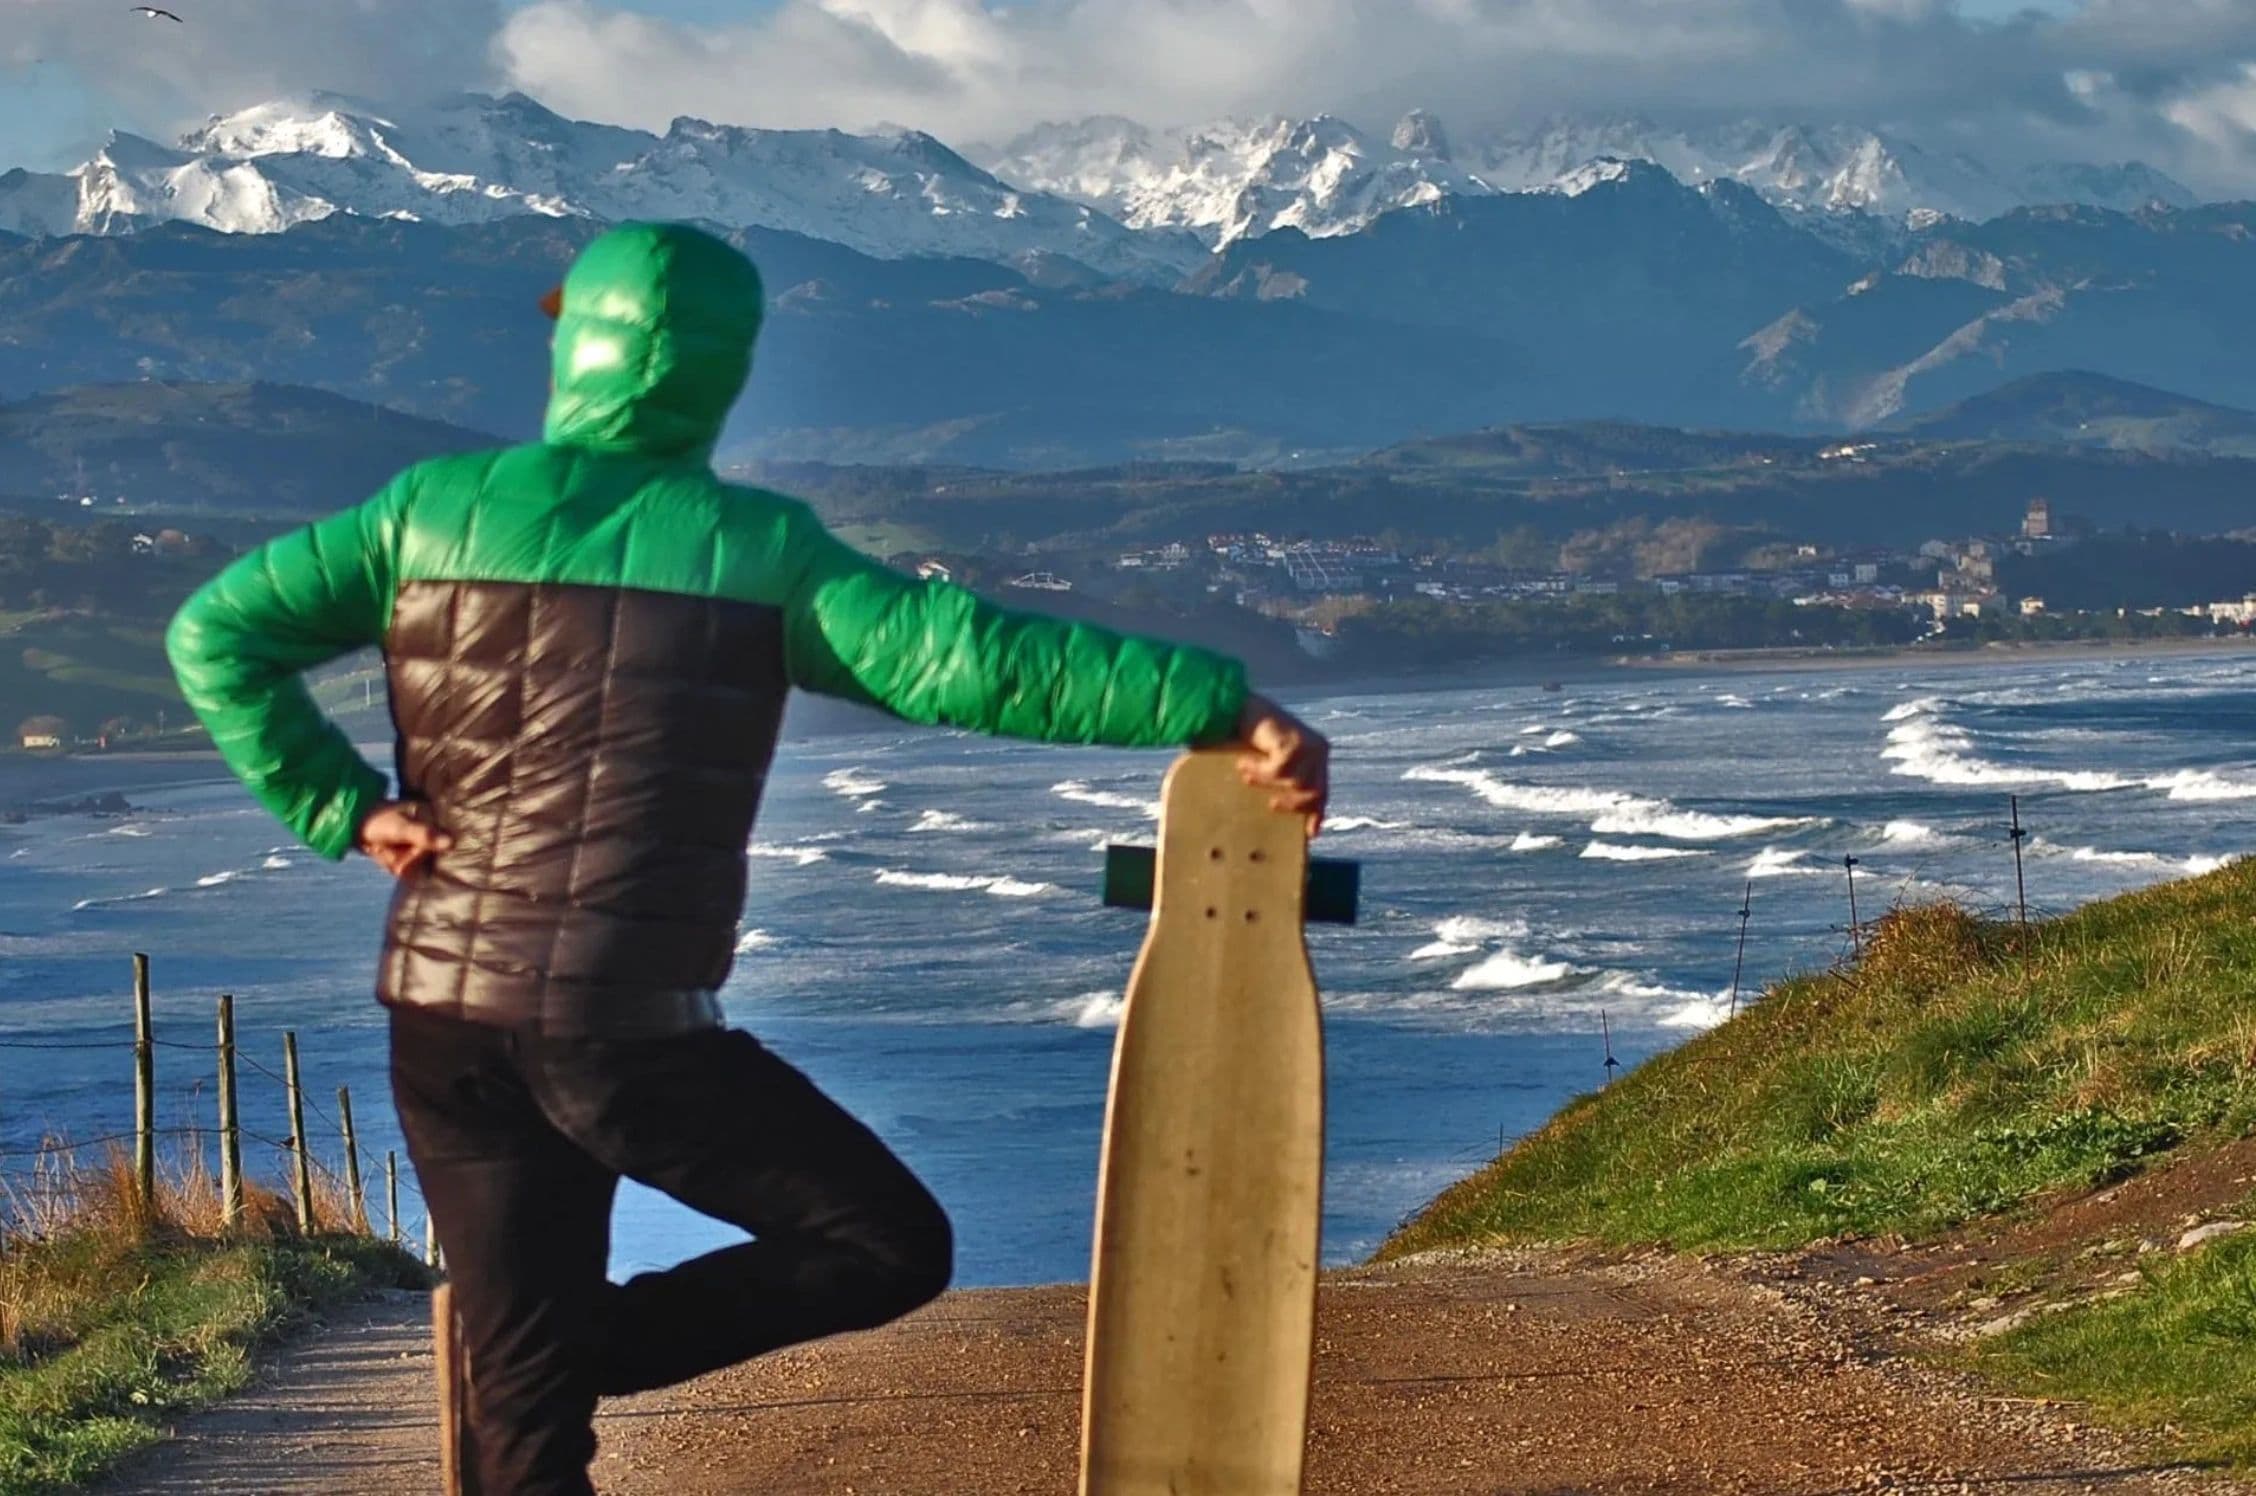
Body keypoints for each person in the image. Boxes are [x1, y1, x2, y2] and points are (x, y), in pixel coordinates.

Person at [165, 220, 1330, 1495]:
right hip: (623, 1025)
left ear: (574, 347)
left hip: (443, 1014)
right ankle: (577, 1341)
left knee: (522, 1411)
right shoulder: (762, 552)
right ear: (724, 369)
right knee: (884, 1241)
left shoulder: (427, 512)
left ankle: (544, 1351)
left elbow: (216, 634)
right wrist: (1220, 701)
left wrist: (347, 804)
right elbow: (975, 659)